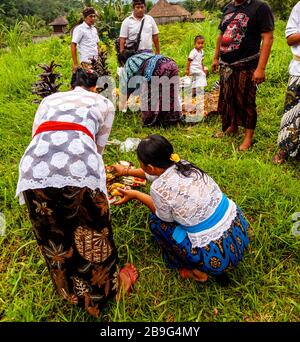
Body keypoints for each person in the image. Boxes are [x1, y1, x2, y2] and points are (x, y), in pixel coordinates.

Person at [16, 68, 138, 318]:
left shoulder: (49, 100)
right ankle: (106, 291)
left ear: (72, 86)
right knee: (94, 230)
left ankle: (69, 291)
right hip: (80, 166)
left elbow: (37, 136)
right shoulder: (103, 102)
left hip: (33, 170)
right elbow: (98, 148)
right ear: (95, 87)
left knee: (53, 232)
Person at [112, 134, 249, 282]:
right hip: (238, 232)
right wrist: (126, 171)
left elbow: (163, 217)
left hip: (215, 256)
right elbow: (153, 174)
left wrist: (136, 195)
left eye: (141, 165)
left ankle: (197, 271)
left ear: (150, 167)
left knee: (157, 223)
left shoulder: (158, 188)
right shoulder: (183, 165)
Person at [212, 0, 274, 151]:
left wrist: (260, 68)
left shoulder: (260, 8)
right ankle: (231, 126)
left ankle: (248, 136)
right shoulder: (228, 8)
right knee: (228, 97)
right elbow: (221, 35)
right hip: (226, 64)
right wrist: (216, 58)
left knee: (246, 100)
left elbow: (268, 38)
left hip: (247, 64)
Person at [118, 50, 182, 127]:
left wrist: (121, 106)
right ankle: (173, 118)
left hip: (158, 69)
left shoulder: (129, 62)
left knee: (149, 97)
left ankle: (150, 121)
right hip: (172, 64)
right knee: (170, 94)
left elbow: (126, 87)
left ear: (122, 62)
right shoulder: (144, 54)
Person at [273, 1, 300, 164]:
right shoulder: (299, 7)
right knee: (291, 112)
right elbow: (290, 38)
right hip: (298, 70)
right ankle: (285, 149)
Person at [71, 7, 100, 71]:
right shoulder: (80, 29)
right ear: (84, 18)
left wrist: (100, 58)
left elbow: (97, 44)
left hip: (96, 61)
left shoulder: (94, 29)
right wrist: (75, 63)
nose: (93, 18)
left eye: (94, 16)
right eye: (90, 16)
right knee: (89, 80)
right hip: (86, 62)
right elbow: (73, 45)